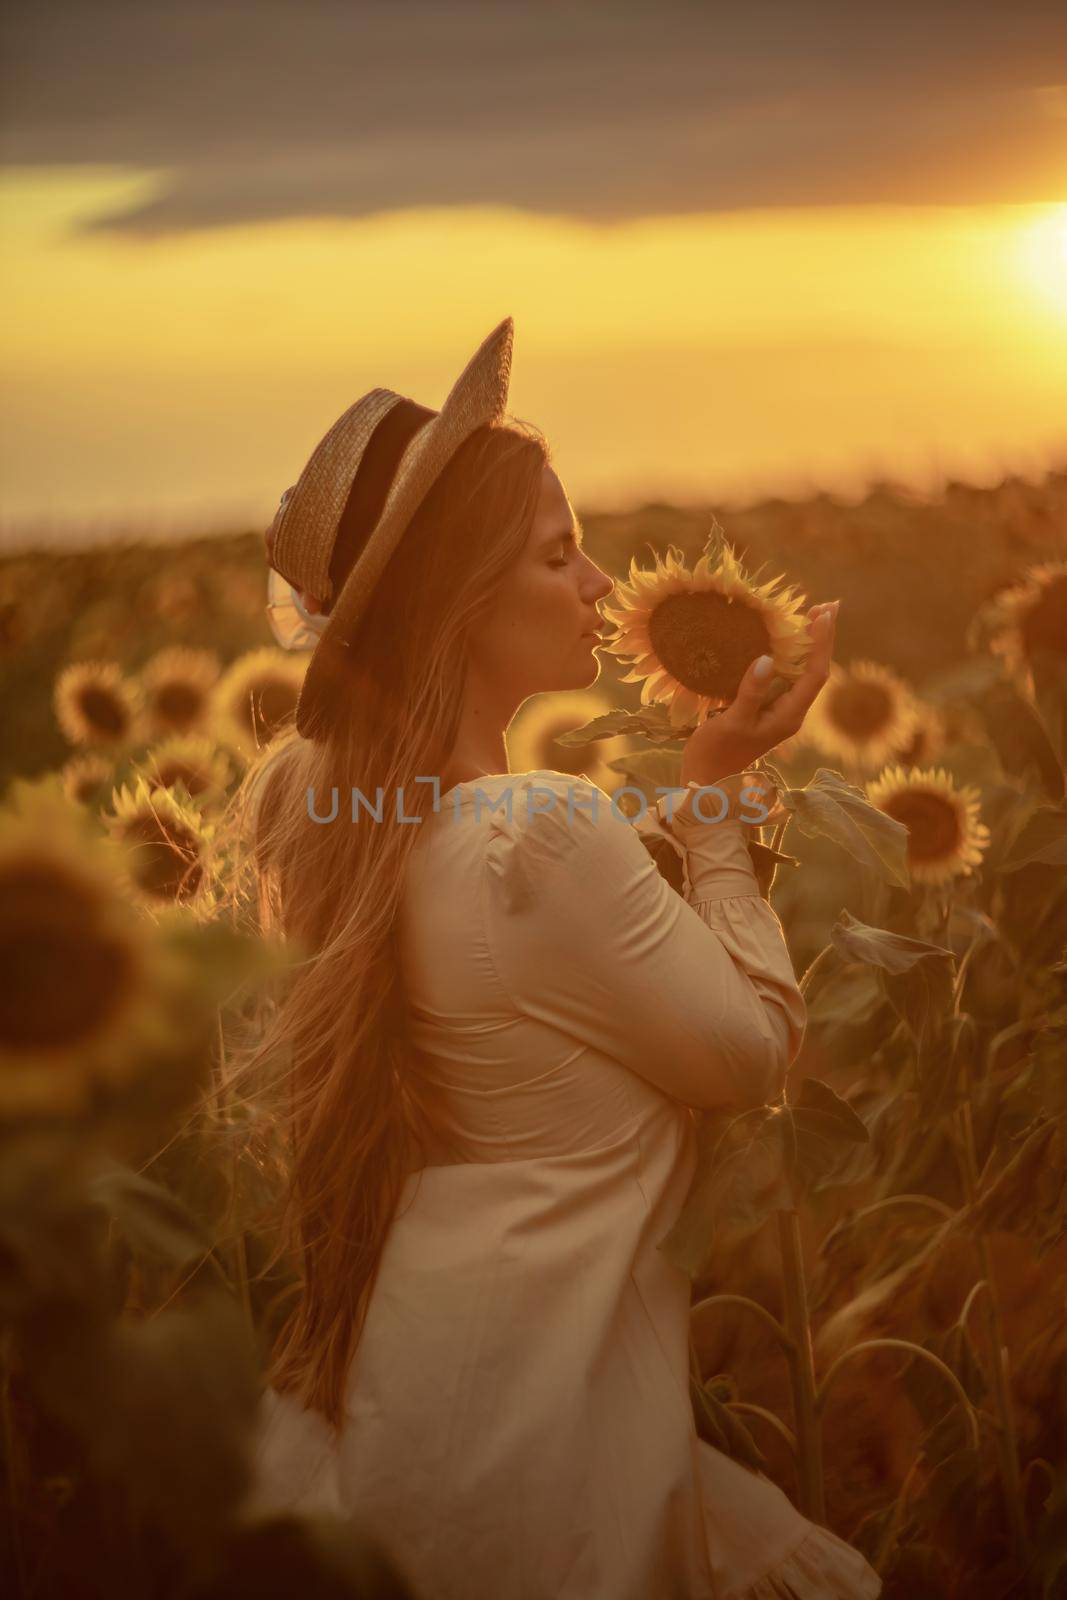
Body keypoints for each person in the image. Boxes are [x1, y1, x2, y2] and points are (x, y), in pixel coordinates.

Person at [232, 318, 881, 1599]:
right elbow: (752, 1053)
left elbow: (548, 972)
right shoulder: (534, 831)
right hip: (557, 1440)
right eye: (556, 552)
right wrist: (715, 803)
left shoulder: (371, 840)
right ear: (459, 601)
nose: (598, 586)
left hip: (428, 1400)